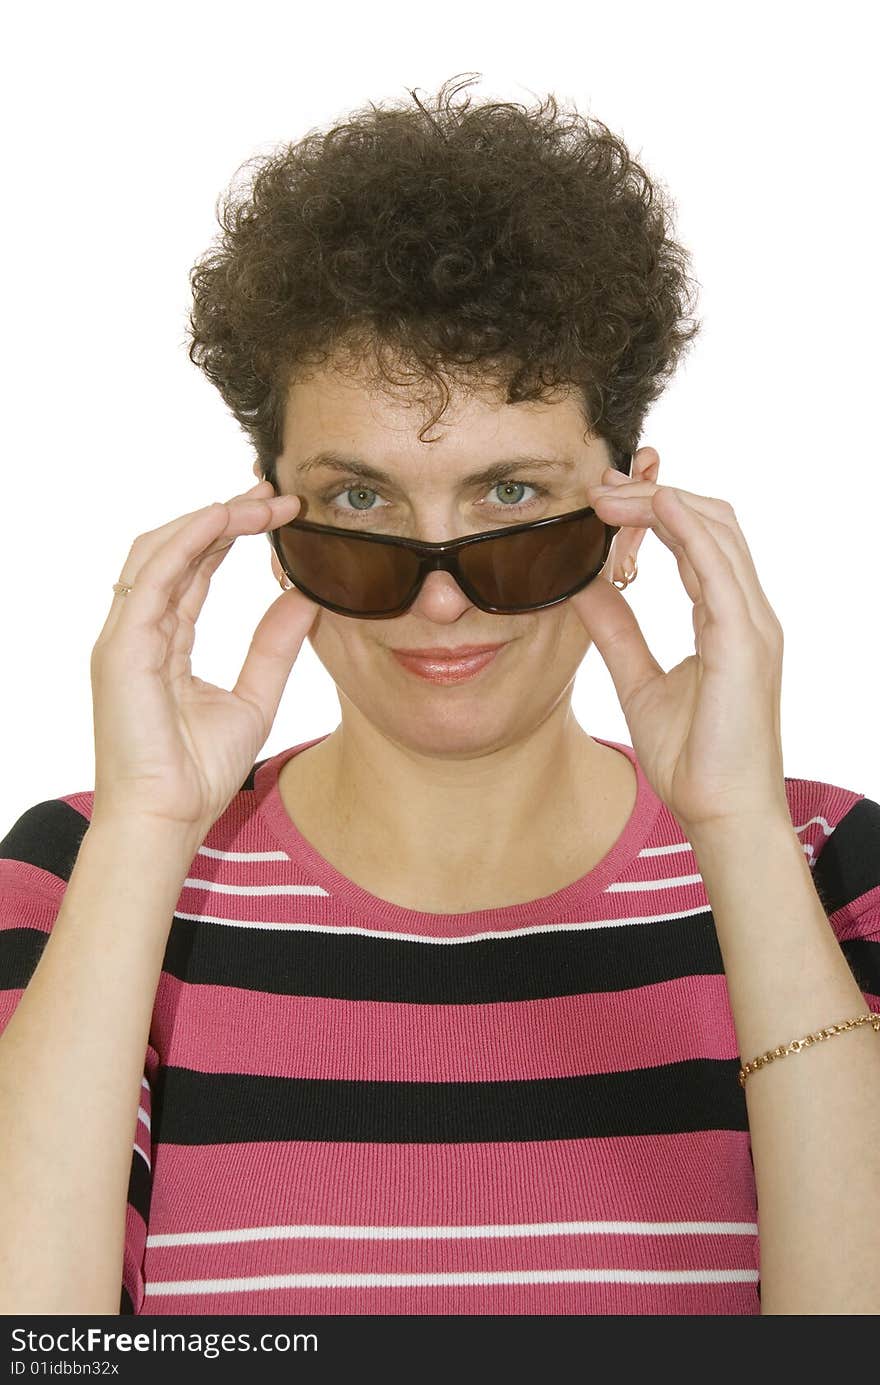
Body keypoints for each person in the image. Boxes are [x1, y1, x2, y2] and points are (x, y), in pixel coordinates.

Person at [1, 75, 878, 1319]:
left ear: (630, 515)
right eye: (360, 505)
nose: (441, 599)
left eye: (511, 499)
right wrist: (150, 828)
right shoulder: (82, 870)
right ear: (271, 516)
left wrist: (733, 822)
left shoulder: (829, 869)